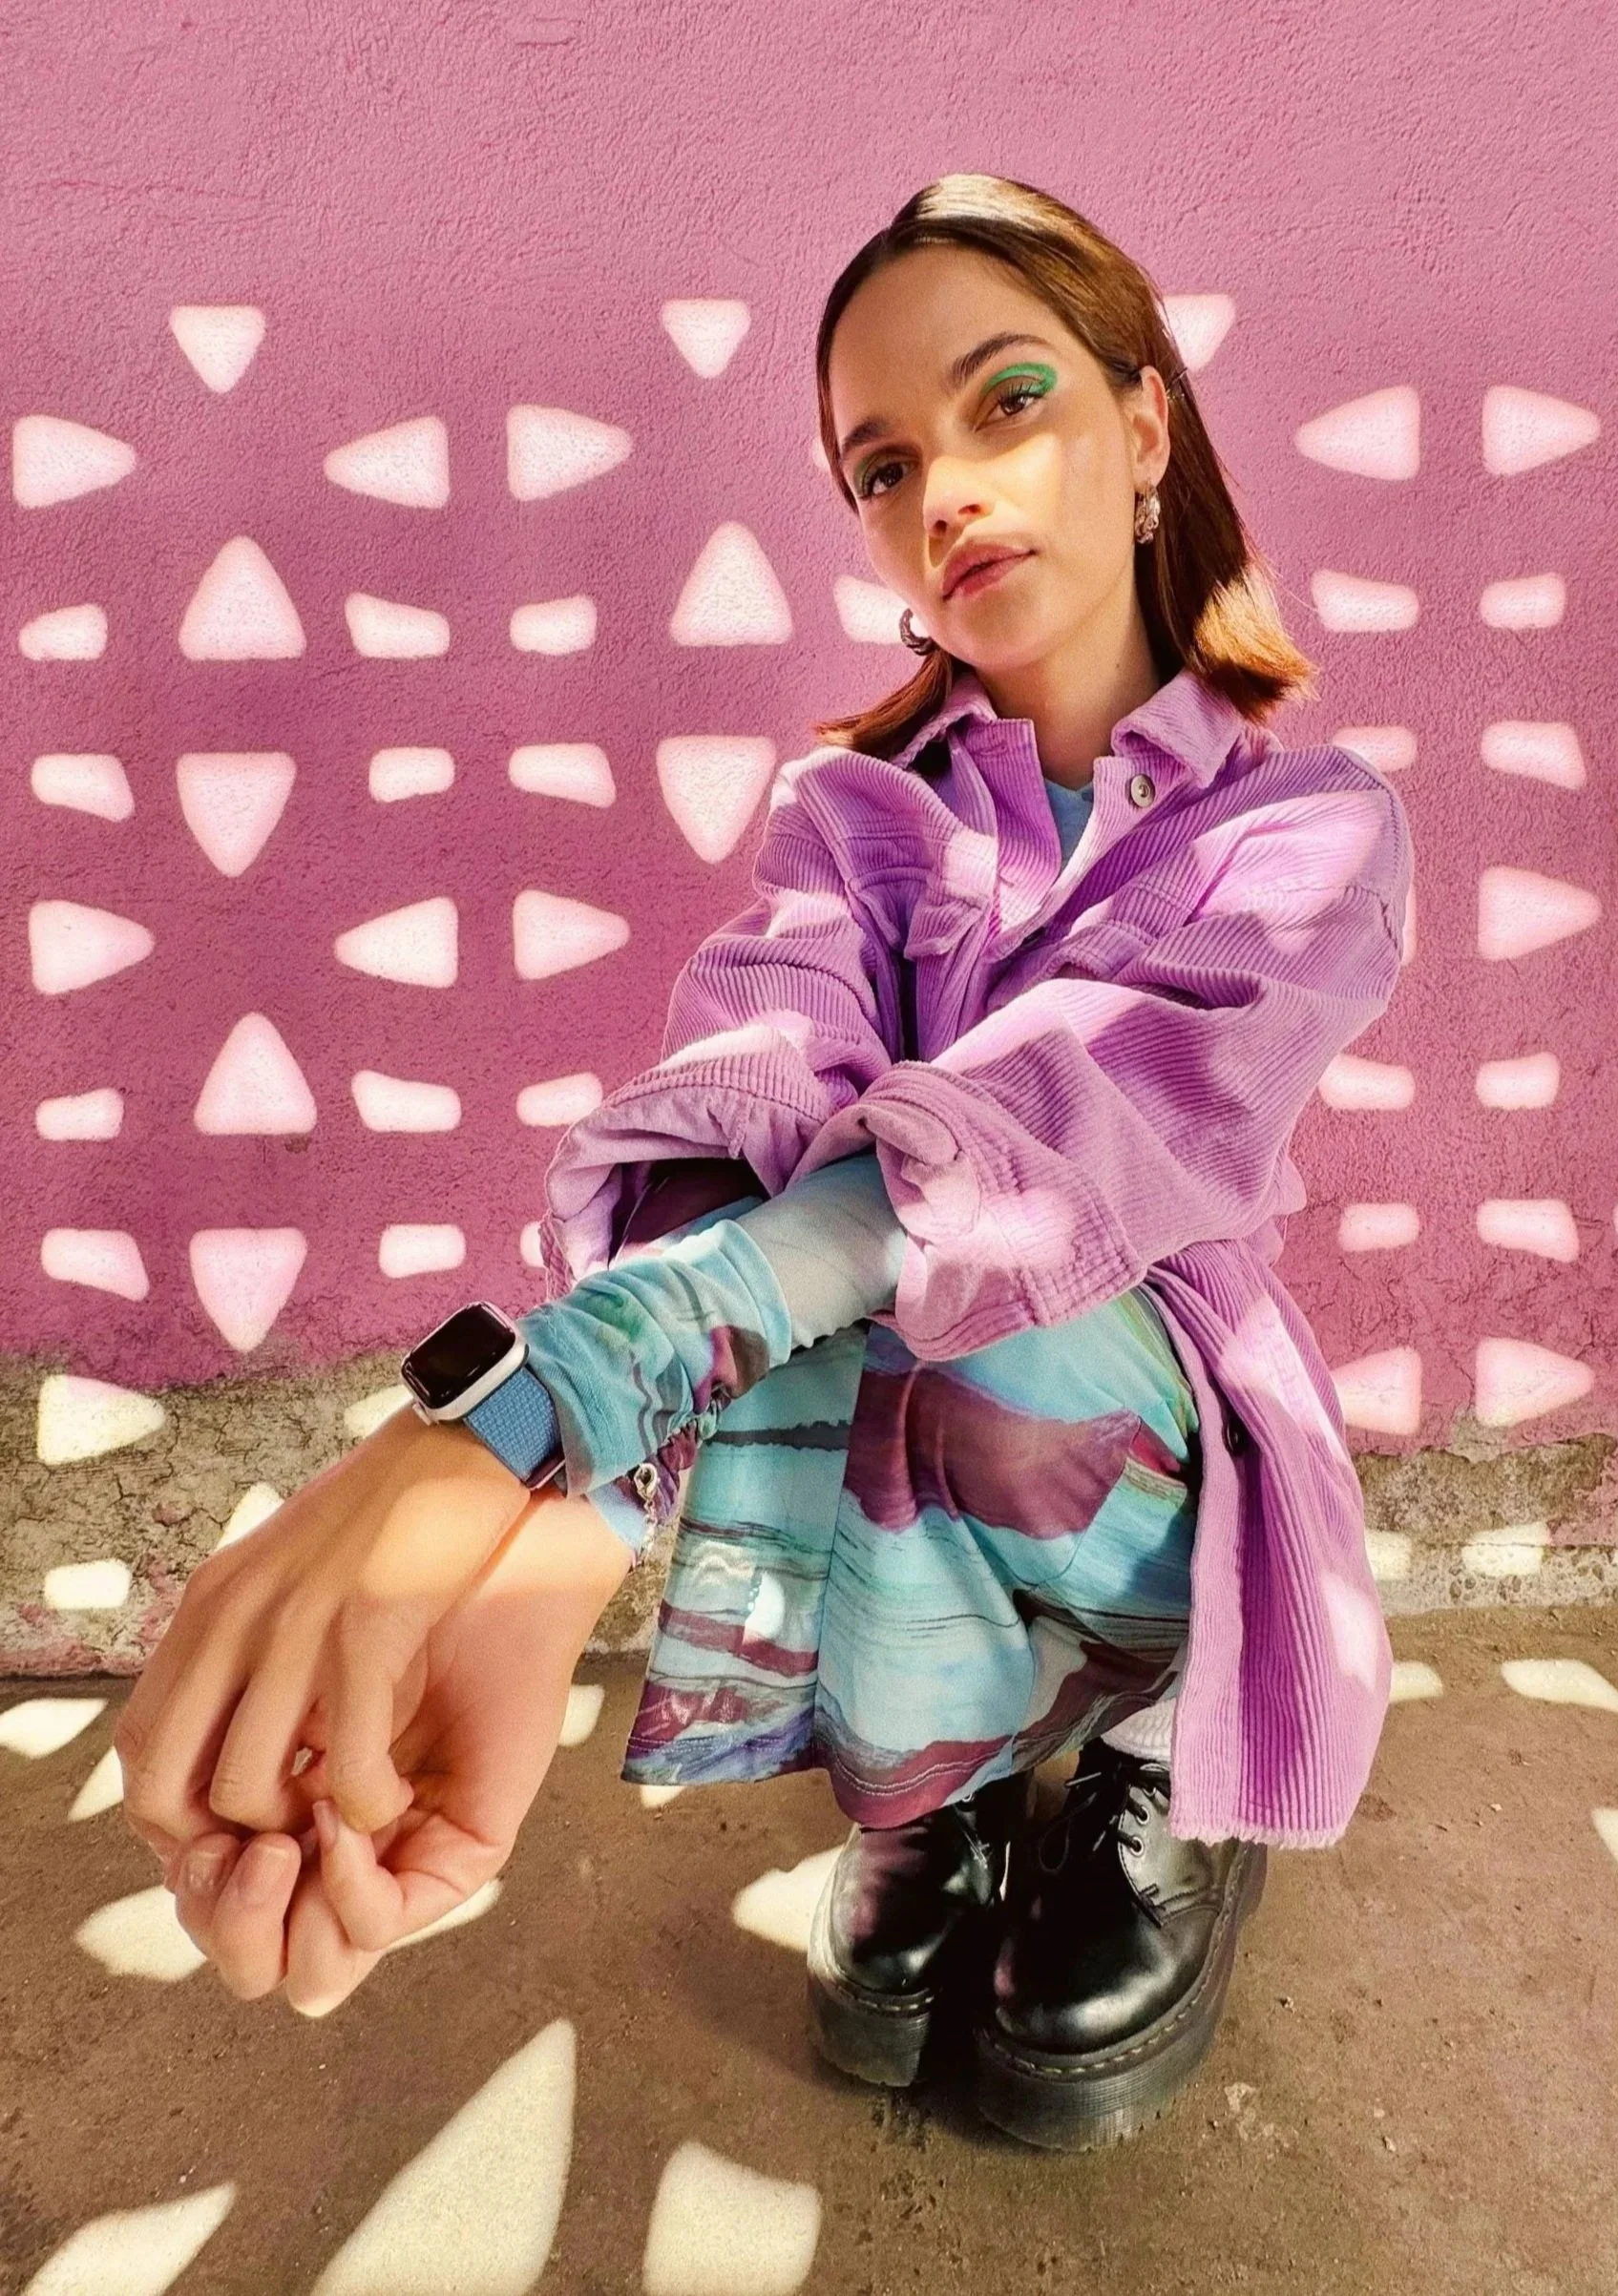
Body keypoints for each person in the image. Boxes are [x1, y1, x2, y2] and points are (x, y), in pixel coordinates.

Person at [116, 173, 1411, 2154]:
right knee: (795, 1177)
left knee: (949, 1260)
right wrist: (554, 1542)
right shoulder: (851, 822)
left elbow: (1059, 1136)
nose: (944, 494)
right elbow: (743, 1096)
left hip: (1141, 1468)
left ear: (1141, 429)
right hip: (893, 1469)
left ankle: (1151, 1740)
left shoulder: (1307, 830)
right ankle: (933, 1781)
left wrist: (531, 1415)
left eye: (1005, 405)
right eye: (882, 466)